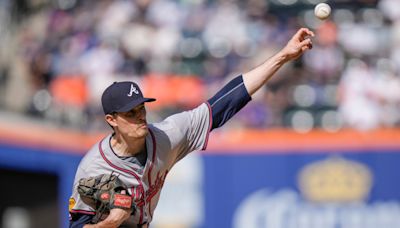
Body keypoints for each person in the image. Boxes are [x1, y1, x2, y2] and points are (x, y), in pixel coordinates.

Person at [68, 28, 314, 228]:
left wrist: (283, 56)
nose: (140, 116)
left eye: (141, 109)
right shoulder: (93, 167)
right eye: (130, 113)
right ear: (111, 120)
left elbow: (226, 101)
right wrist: (113, 221)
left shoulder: (166, 135)